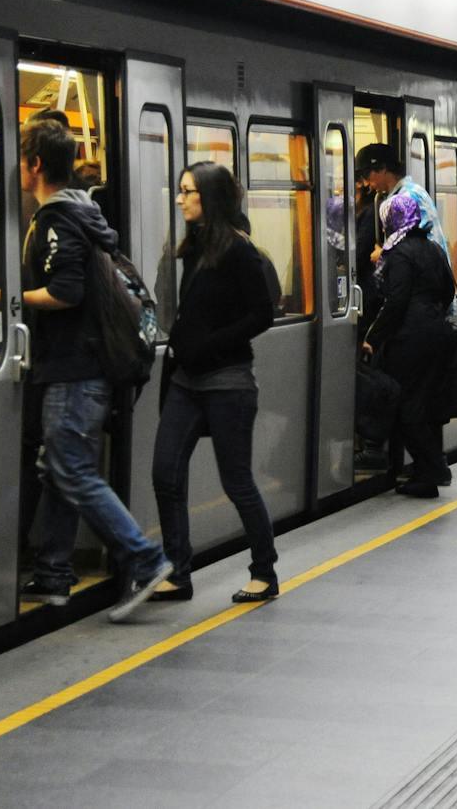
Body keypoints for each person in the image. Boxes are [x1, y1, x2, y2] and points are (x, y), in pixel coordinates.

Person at [15, 119, 172, 621]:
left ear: (35, 164)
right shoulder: (84, 213)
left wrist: (14, 299)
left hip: (74, 369)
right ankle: (55, 574)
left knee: (73, 470)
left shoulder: (58, 220)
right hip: (81, 366)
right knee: (58, 469)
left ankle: (146, 560)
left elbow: (66, 292)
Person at [150, 161, 280, 602]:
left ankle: (265, 571)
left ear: (210, 198)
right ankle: (177, 570)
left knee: (236, 481)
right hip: (187, 382)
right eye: (181, 191)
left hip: (228, 382)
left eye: (188, 191)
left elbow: (262, 313)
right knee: (165, 473)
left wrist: (211, 343)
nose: (180, 198)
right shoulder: (191, 249)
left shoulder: (239, 252)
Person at [362, 193, 457, 498]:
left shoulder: (399, 253)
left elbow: (396, 301)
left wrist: (372, 337)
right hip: (437, 333)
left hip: (411, 339)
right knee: (425, 403)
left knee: (406, 405)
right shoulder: (432, 248)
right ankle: (425, 471)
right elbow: (448, 291)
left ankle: (433, 469)